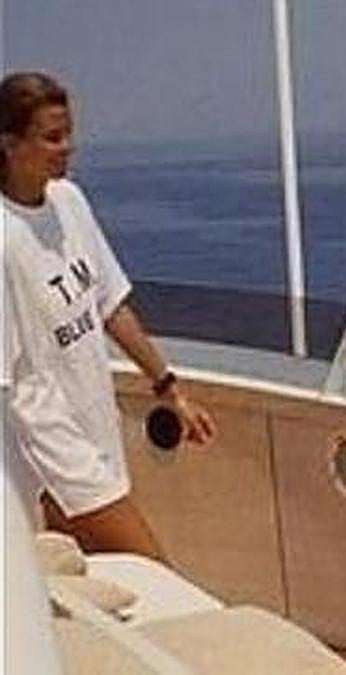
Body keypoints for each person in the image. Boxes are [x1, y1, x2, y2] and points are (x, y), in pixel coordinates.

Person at [1, 71, 217, 563]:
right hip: (55, 453)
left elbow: (110, 306)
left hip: (98, 432)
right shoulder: (4, 239)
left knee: (94, 576)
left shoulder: (69, 201)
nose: (67, 147)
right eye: (51, 137)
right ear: (10, 144)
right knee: (155, 572)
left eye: (68, 134)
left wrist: (170, 388)